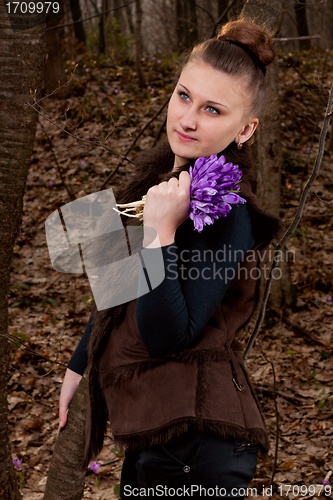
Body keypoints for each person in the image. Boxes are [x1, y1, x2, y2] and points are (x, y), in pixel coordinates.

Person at [58, 18, 281, 499]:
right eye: (183, 96)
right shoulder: (156, 185)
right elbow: (119, 291)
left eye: (213, 109)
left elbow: (166, 336)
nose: (188, 119)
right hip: (157, 435)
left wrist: (161, 233)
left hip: (199, 444)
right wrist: (79, 367)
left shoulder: (227, 209)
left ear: (245, 129)